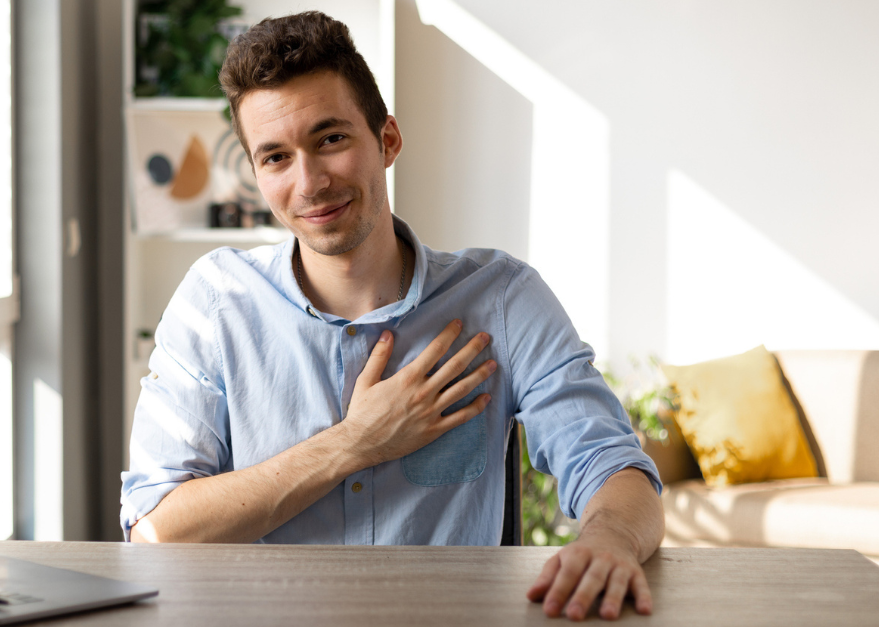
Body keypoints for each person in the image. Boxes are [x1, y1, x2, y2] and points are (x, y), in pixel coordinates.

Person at [121, 11, 664, 622]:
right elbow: (156, 528)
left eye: (331, 139)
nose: (310, 182)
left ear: (387, 141)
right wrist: (354, 444)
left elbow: (613, 465)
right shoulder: (215, 302)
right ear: (255, 174)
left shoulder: (504, 298)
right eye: (275, 157)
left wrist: (608, 542)